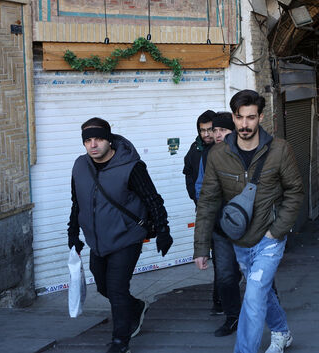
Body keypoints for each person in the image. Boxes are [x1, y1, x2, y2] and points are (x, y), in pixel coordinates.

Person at [194, 90, 305, 353]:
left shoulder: (279, 150)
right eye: (239, 117)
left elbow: (295, 191)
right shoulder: (218, 155)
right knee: (262, 293)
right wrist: (200, 247)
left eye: (251, 118)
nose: (244, 125)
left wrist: (277, 231)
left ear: (261, 117)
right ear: (233, 117)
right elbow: (208, 200)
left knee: (253, 298)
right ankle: (281, 333)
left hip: (269, 238)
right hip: (238, 240)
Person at [68, 117, 173, 353]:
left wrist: (163, 230)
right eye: (88, 140)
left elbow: (152, 199)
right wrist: (73, 233)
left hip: (127, 237)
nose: (93, 145)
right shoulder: (79, 166)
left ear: (109, 140)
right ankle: (135, 307)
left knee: (116, 288)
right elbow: (77, 203)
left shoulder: (131, 166)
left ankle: (120, 341)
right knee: (104, 287)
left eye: (98, 139)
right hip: (97, 241)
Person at [183, 109, 242, 335]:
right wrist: (200, 247)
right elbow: (202, 193)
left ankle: (270, 312)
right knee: (226, 275)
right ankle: (232, 317)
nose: (217, 134)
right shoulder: (208, 155)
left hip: (250, 228)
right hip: (220, 227)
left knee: (258, 275)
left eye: (222, 130)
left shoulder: (248, 152)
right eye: (214, 130)